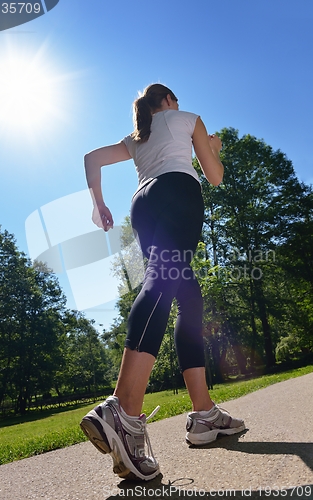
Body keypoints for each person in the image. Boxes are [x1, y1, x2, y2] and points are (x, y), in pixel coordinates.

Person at [80, 84, 245, 481]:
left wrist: (98, 203)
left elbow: (92, 158)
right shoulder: (189, 120)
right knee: (163, 279)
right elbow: (216, 177)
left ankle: (204, 415)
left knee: (189, 299)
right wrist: (211, 146)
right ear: (169, 101)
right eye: (176, 101)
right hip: (177, 191)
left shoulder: (139, 136)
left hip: (143, 203)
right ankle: (123, 409)